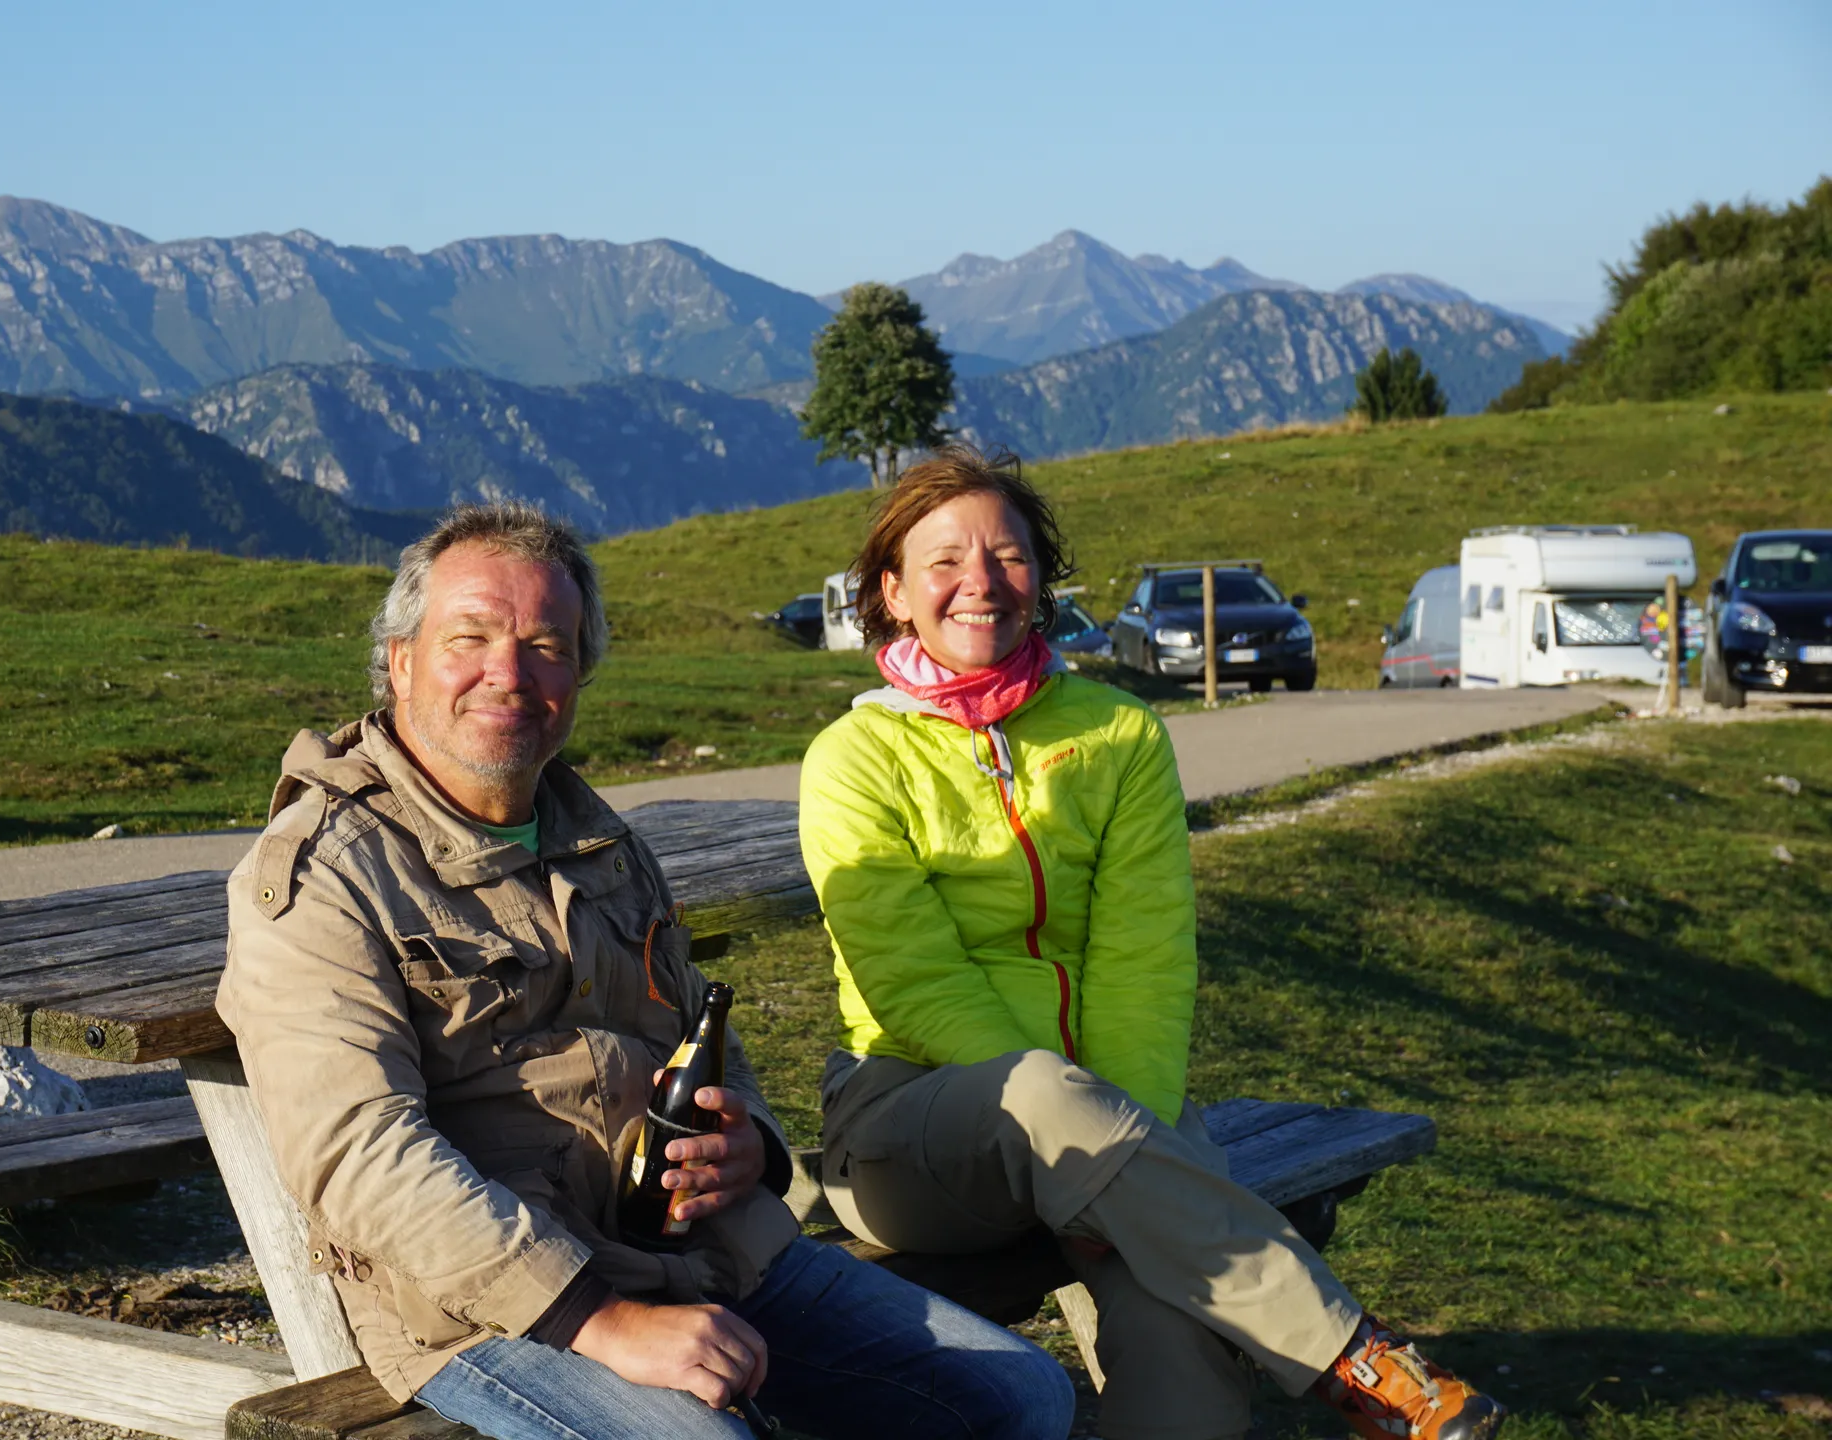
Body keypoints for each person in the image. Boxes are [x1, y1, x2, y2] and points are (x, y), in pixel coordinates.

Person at [218, 503, 1073, 1440]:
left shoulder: (598, 838)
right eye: (471, 638)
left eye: (547, 646)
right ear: (401, 660)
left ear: (579, 674)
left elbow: (705, 1034)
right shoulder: (324, 873)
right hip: (493, 1308)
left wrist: (751, 1147)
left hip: (696, 1252)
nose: (510, 673)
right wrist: (604, 1321)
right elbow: (357, 1155)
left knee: (1024, 1397)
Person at [798, 446, 1507, 1440]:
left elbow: (1146, 958)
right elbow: (911, 980)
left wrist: (1103, 1138)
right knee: (1045, 1100)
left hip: (1117, 1115)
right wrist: (1077, 1130)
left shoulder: (1122, 735)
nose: (980, 582)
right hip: (916, 1131)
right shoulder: (853, 757)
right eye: (945, 561)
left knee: (1183, 1332)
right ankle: (1355, 1360)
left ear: (1041, 580)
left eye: (1008, 556)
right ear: (893, 592)